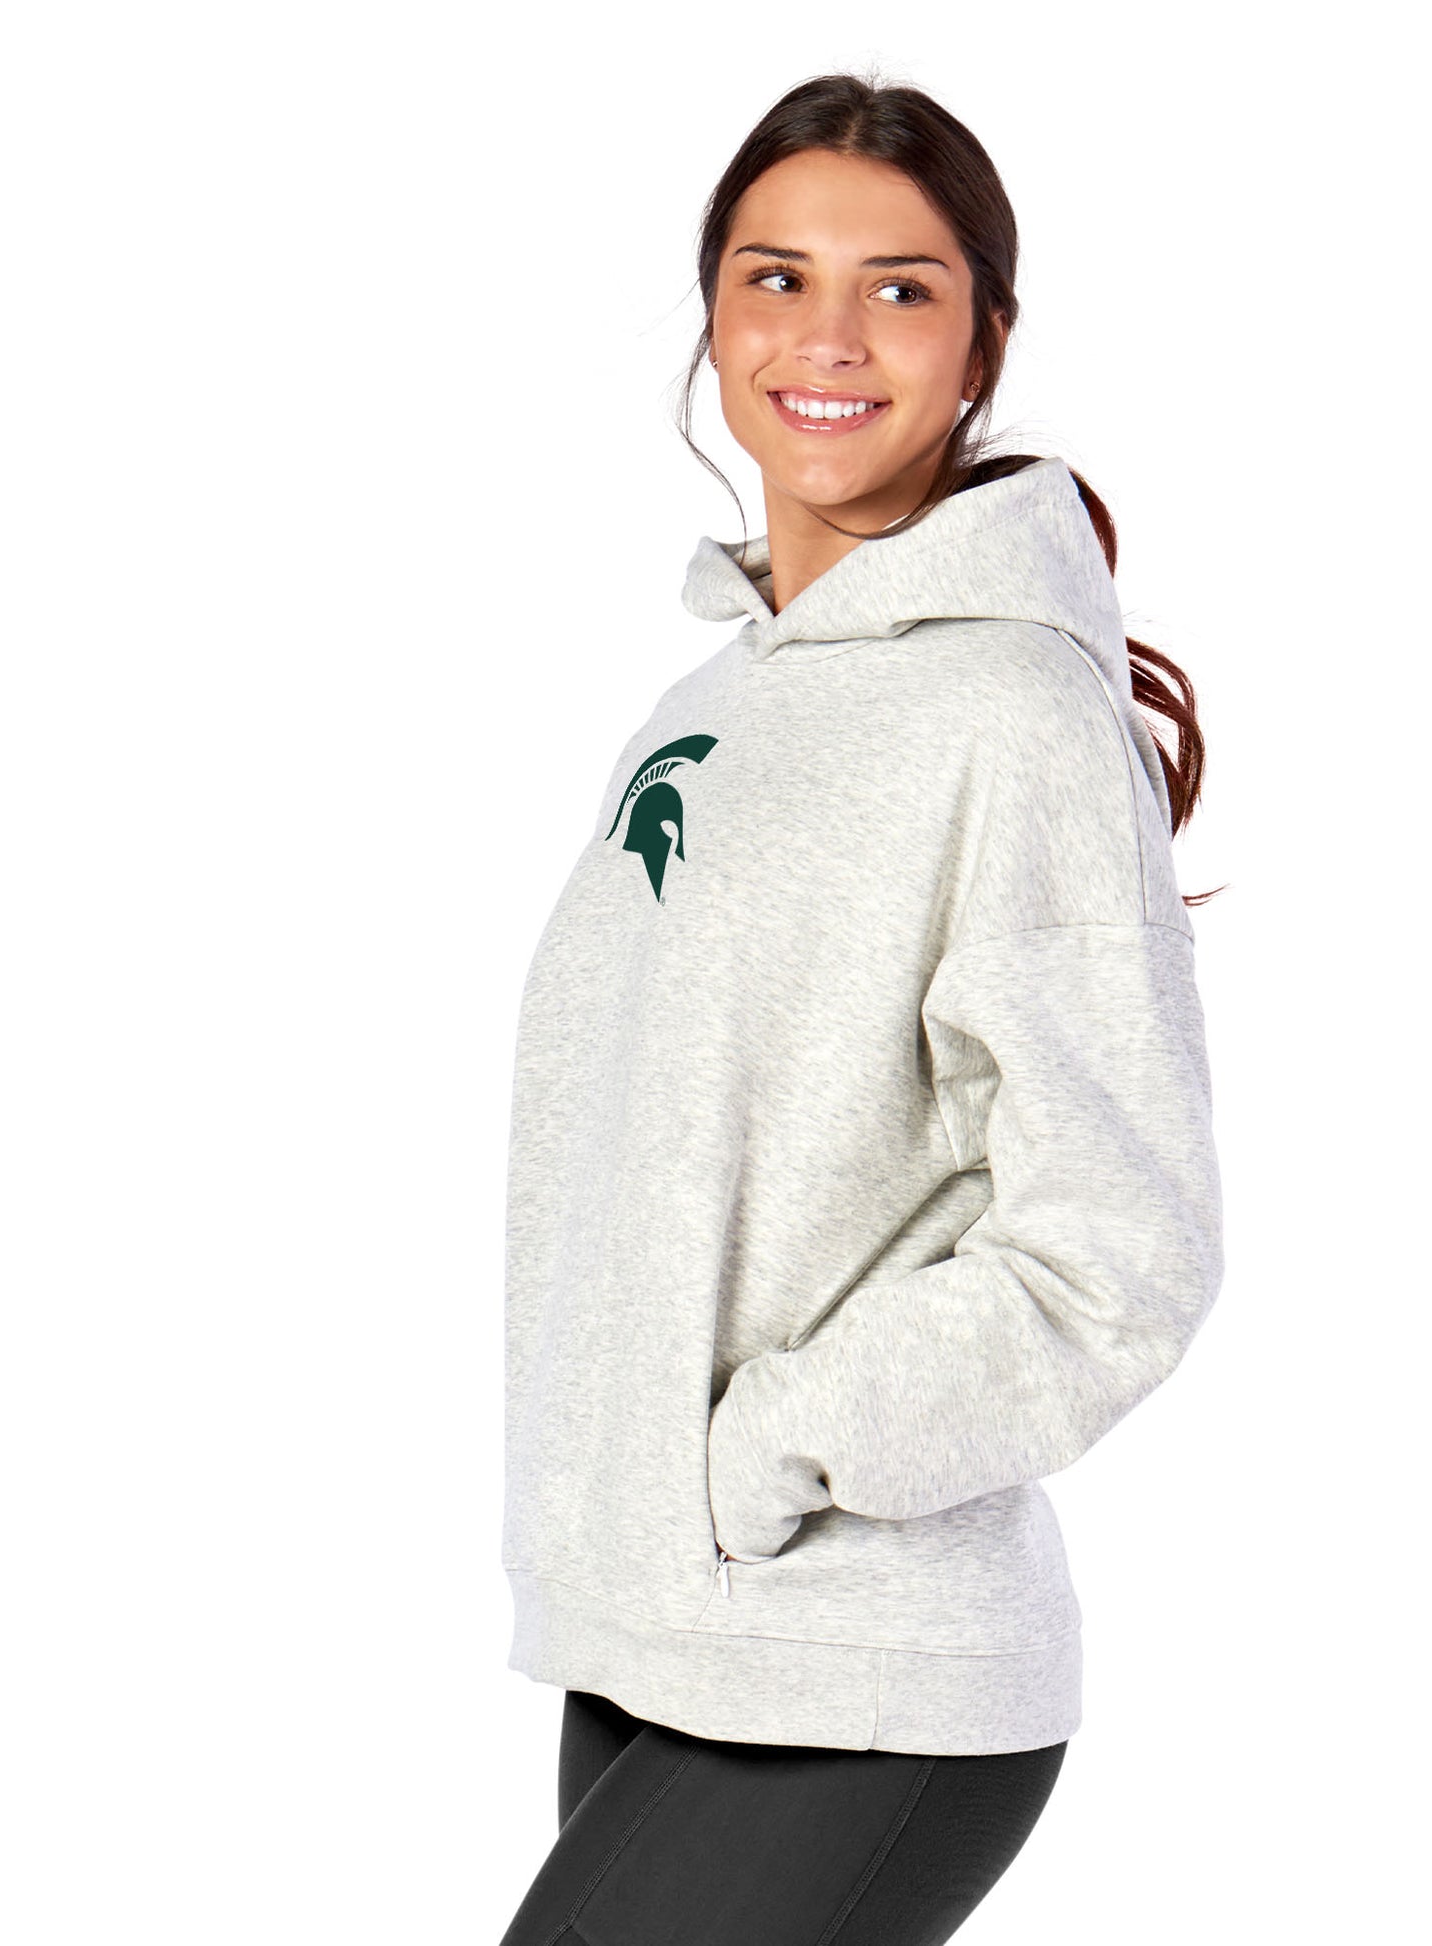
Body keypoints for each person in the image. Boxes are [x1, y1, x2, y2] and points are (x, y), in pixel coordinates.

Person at [496, 70, 1227, 1945]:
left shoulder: (1012, 713)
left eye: (900, 288)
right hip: (659, 1628)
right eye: (776, 278)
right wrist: (654, 1505)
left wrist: (771, 1452)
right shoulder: (712, 706)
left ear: (983, 341)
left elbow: (1116, 1252)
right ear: (713, 319)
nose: (827, 338)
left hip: (856, 1653)